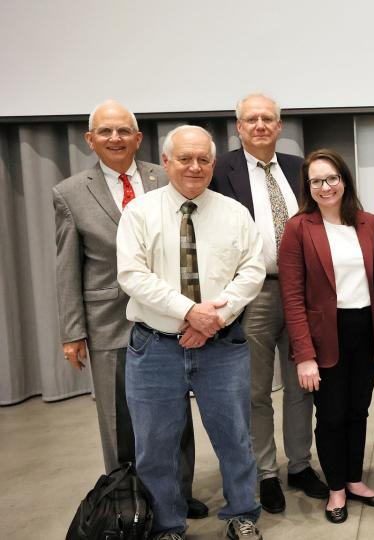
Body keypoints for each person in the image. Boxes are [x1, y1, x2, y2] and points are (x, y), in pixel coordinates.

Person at [52, 100, 207, 519]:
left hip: (167, 316)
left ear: (139, 139)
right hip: (109, 322)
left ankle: (179, 492)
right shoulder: (69, 193)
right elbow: (67, 267)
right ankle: (128, 500)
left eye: (124, 131)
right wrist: (72, 332)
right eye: (105, 131)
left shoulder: (167, 176)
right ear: (90, 139)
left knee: (175, 411)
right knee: (120, 419)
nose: (115, 138)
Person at [117, 125, 266, 540]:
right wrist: (189, 312)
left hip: (223, 345)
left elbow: (252, 270)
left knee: (235, 437)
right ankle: (167, 525)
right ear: (166, 162)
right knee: (155, 447)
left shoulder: (234, 213)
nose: (195, 166)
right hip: (155, 347)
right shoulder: (140, 213)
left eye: (203, 159)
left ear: (213, 163)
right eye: (185, 158)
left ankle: (242, 514)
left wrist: (215, 317)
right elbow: (132, 274)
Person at [210, 93, 326, 514]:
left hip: (303, 294)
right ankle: (265, 472)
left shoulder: (300, 168)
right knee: (255, 390)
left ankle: (299, 465)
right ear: (238, 127)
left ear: (279, 126)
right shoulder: (220, 170)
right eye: (251, 119)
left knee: (302, 384)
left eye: (268, 119)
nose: (260, 125)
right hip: (250, 296)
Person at [277, 149, 374, 524]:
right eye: (317, 181)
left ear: (344, 180)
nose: (325, 186)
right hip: (323, 336)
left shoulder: (369, 223)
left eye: (332, 178)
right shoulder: (299, 228)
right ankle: (335, 489)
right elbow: (293, 297)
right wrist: (305, 355)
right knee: (331, 415)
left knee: (358, 411)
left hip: (365, 332)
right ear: (308, 187)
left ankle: (354, 479)